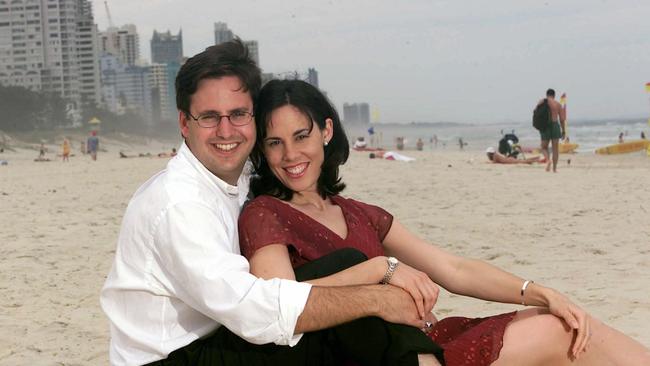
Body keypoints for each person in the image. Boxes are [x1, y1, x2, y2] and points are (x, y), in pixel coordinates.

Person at [240, 79, 650, 366]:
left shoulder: (359, 212)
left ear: (326, 132)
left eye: (301, 136)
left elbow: (453, 269)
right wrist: (377, 270)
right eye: (275, 143)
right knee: (555, 334)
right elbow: (274, 300)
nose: (290, 155)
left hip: (428, 337)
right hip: (378, 355)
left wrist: (539, 292)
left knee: (564, 318)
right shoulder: (266, 214)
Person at [101, 39, 442, 366]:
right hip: (172, 358)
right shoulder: (180, 204)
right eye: (209, 117)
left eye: (238, 114)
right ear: (184, 124)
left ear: (254, 119)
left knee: (345, 276)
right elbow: (253, 312)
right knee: (348, 300)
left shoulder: (235, 178)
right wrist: (376, 293)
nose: (225, 130)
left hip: (215, 337)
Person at [537, 89, 566, 173]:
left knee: (543, 147)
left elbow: (536, 113)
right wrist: (563, 131)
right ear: (554, 95)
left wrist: (539, 126)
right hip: (555, 125)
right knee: (555, 149)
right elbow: (562, 119)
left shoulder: (542, 101)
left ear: (547, 95)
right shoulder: (558, 104)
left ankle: (548, 160)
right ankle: (554, 169)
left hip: (545, 126)